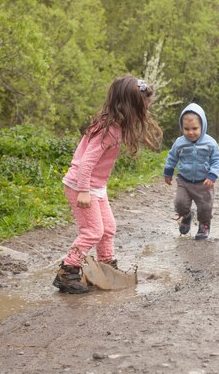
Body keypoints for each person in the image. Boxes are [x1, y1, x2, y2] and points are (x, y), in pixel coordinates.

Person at [53, 76, 162, 294]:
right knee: (93, 231)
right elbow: (86, 162)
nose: (145, 112)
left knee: (108, 227)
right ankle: (67, 270)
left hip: (95, 187)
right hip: (81, 186)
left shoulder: (116, 126)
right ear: (129, 106)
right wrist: (84, 190)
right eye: (143, 107)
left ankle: (106, 265)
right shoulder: (109, 129)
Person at [164, 103, 219, 240]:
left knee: (205, 207)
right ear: (182, 127)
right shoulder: (180, 143)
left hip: (204, 183)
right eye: (186, 129)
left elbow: (218, 159)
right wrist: (168, 172)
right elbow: (172, 156)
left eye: (195, 128)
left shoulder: (210, 143)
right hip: (184, 181)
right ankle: (186, 216)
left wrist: (212, 175)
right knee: (180, 203)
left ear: (203, 126)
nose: (190, 132)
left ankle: (204, 225)